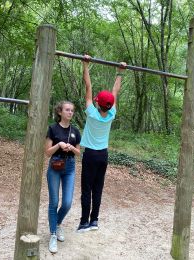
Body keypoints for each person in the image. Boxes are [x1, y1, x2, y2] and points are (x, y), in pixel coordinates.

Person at [77, 55, 126, 233]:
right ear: (110, 105)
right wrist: (120, 71)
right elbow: (115, 92)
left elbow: (88, 86)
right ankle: (94, 221)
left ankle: (84, 223)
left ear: (98, 104)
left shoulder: (91, 112)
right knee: (98, 188)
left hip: (90, 155)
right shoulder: (112, 113)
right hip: (103, 156)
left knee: (86, 189)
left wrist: (85, 64)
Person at [45, 101, 81, 253]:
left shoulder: (75, 131)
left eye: (72, 110)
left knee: (67, 203)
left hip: (70, 167)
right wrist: (59, 145)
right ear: (60, 112)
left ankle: (57, 223)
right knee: (54, 202)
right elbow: (47, 152)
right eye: (67, 110)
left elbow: (79, 153)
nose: (70, 112)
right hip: (55, 166)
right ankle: (53, 233)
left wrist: (72, 148)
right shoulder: (52, 128)